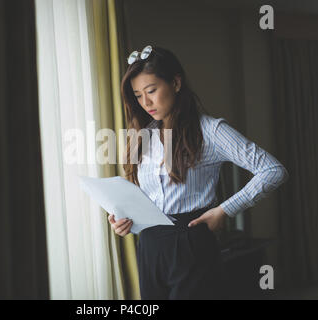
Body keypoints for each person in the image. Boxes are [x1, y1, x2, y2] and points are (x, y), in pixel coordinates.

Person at [107, 45, 289, 300]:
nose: (145, 102)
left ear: (176, 83)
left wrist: (225, 209)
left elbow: (272, 170)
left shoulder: (211, 131)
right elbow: (148, 196)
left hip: (192, 242)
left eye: (151, 91)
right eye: (138, 95)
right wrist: (125, 220)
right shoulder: (143, 136)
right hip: (149, 246)